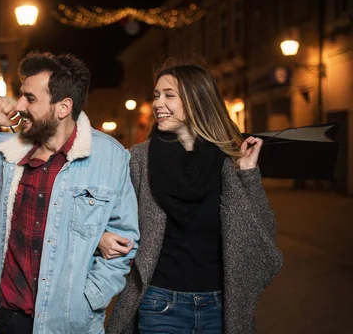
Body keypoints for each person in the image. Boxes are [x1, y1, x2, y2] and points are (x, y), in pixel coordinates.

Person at [0, 51, 139, 334]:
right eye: (21, 95)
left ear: (63, 107)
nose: (19, 105)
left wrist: (90, 298)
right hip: (10, 317)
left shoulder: (110, 157)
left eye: (31, 98)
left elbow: (124, 242)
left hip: (72, 323)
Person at [100, 61, 283, 333]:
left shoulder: (228, 159)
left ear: (196, 99)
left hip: (220, 308)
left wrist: (248, 174)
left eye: (169, 95)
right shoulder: (140, 159)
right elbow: (103, 211)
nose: (158, 103)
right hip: (160, 304)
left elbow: (263, 234)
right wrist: (101, 236)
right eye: (156, 95)